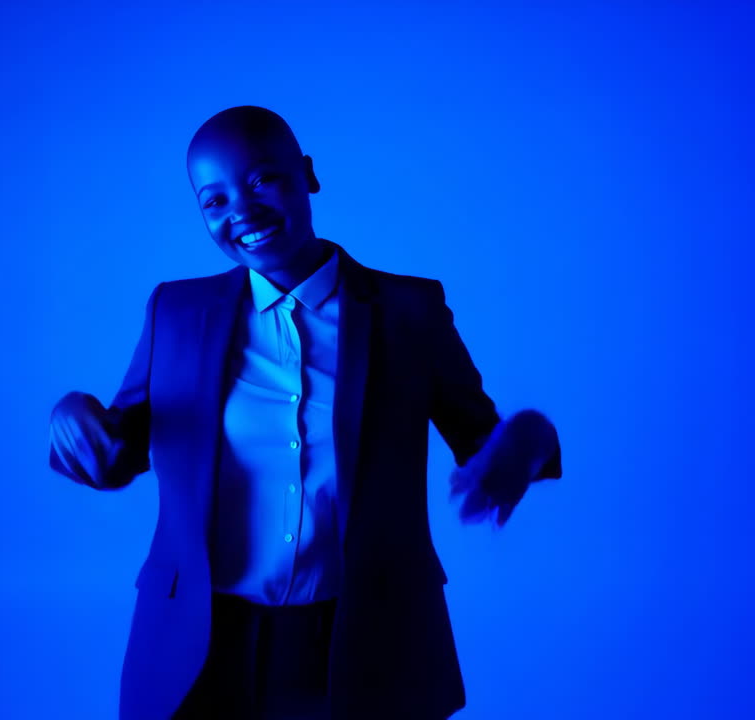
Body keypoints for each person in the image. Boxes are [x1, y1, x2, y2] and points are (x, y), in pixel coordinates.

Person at [49, 106, 562, 720]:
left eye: (262, 179)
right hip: (199, 645)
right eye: (214, 200)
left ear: (307, 174)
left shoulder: (408, 312)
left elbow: (485, 441)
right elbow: (115, 453)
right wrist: (70, 416)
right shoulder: (177, 313)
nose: (241, 209)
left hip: (360, 646)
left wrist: (530, 437)